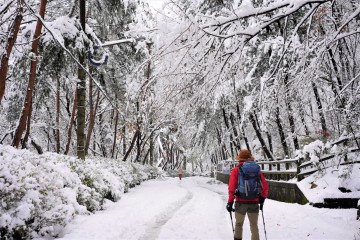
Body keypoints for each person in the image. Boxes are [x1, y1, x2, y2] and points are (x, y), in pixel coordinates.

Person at [226, 149, 269, 240]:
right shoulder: (256, 170)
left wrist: (230, 202)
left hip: (240, 202)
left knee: (238, 224)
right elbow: (265, 186)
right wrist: (262, 198)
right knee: (254, 226)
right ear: (249, 158)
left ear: (239, 159)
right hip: (254, 202)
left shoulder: (236, 170)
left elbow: (231, 188)